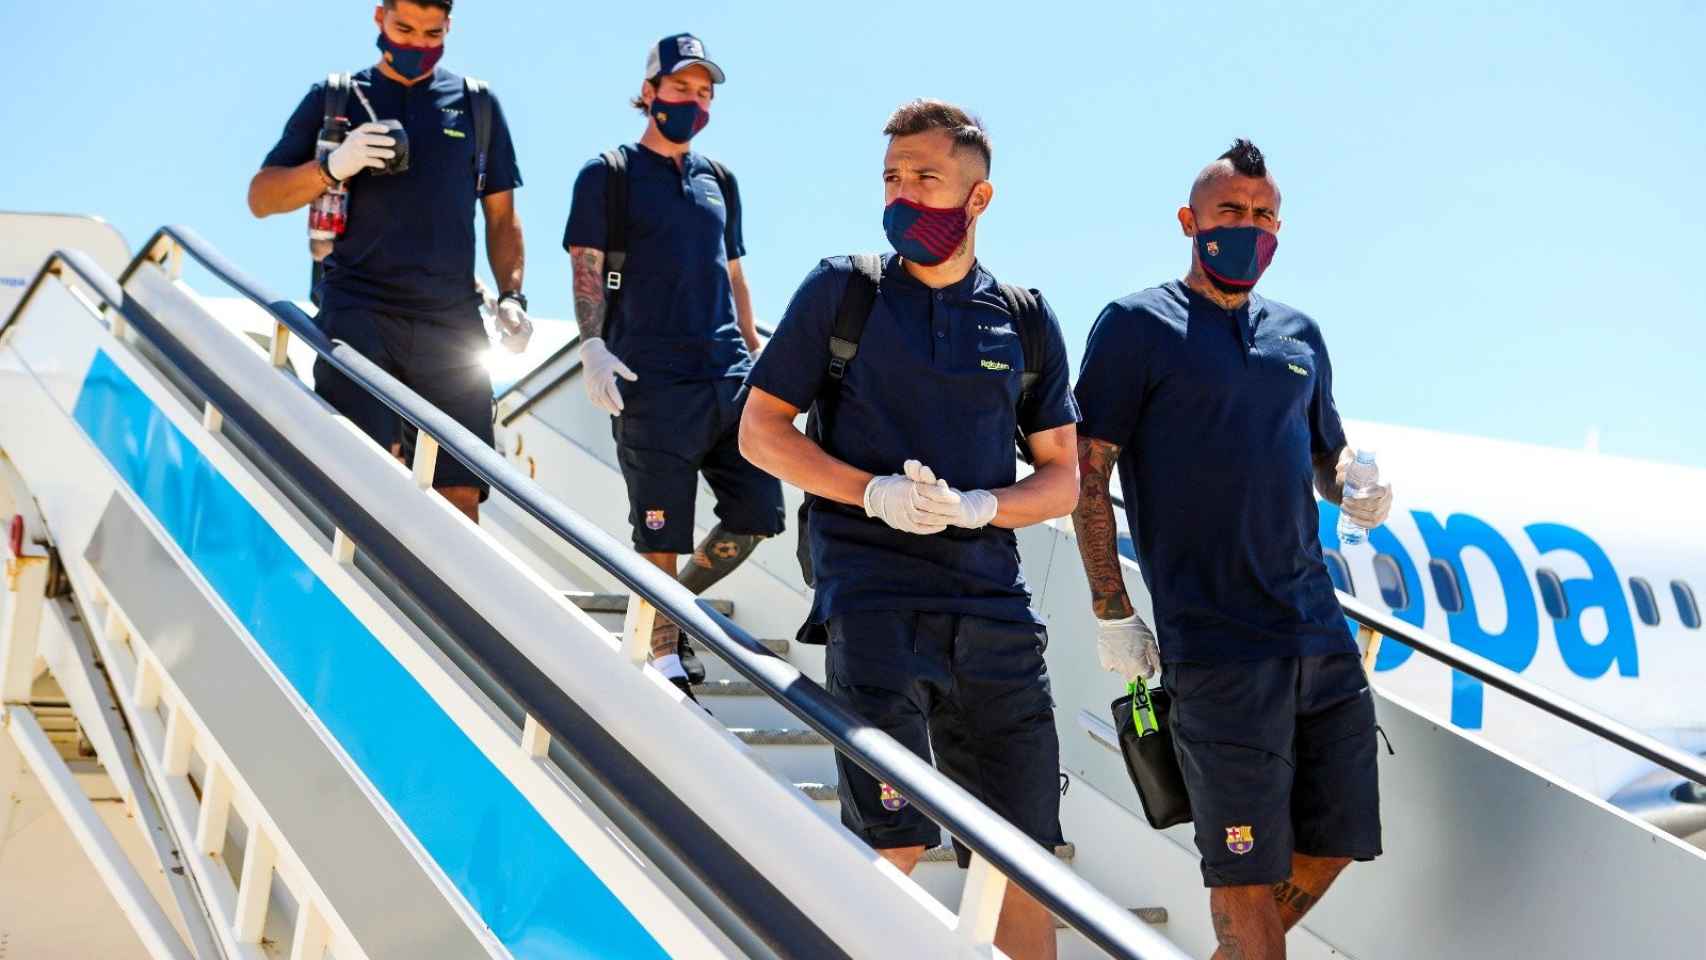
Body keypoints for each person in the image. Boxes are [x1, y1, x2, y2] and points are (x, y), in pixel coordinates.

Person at [741, 99, 1080, 960]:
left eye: (925, 178)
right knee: (890, 839)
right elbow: (762, 429)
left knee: (1017, 863)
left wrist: (981, 506)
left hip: (994, 611)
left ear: (978, 198)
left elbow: (1063, 480)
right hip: (874, 596)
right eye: (892, 178)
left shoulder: (1025, 317)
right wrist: (873, 493)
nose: (902, 195)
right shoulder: (842, 291)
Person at [1070, 140, 1395, 959]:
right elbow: (1086, 475)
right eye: (1228, 214)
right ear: (1190, 222)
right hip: (1215, 649)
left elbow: (1327, 456)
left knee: (1339, 839)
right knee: (1243, 880)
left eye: (1261, 216)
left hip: (1317, 637)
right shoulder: (1136, 326)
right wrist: (1113, 610)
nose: (1245, 229)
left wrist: (1354, 479)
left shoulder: (1300, 336)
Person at [248, 0, 528, 523]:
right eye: (404, 28)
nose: (417, 44)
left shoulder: (476, 105)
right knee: (362, 468)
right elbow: (262, 197)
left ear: (449, 27)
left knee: (462, 485)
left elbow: (502, 217)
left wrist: (511, 295)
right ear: (379, 18)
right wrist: (333, 165)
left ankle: (451, 602)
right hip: (358, 306)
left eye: (432, 33)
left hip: (452, 319)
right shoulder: (335, 97)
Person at [563, 33, 782, 697]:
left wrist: (753, 350)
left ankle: (670, 607)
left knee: (756, 516)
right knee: (660, 527)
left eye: (705, 92)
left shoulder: (720, 180)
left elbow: (735, 274)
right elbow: (587, 266)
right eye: (683, 88)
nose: (695, 101)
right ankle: (663, 653)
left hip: (727, 377)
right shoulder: (609, 173)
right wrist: (592, 345)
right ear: (652, 91)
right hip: (649, 379)